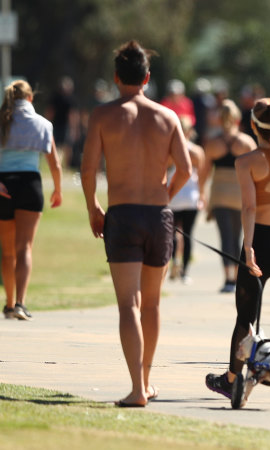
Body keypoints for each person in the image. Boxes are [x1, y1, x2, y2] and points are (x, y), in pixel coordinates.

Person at [81, 40, 192, 407]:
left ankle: (137, 389)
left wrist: (94, 207)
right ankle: (145, 380)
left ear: (116, 78)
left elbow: (88, 169)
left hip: (124, 213)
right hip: (157, 216)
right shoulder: (167, 116)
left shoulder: (103, 115)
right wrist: (165, 195)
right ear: (147, 77)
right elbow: (186, 169)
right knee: (153, 305)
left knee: (128, 304)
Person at [205, 98, 270, 403]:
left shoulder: (246, 161)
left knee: (245, 319)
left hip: (260, 243)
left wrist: (249, 248)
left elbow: (250, 207)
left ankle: (231, 379)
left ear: (252, 126)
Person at [0, 80, 63, 321]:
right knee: (24, 248)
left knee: (7, 252)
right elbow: (54, 163)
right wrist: (58, 190)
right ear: (30, 99)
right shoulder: (43, 124)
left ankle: (7, 303)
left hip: (3, 184)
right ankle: (20, 303)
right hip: (30, 185)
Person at [200, 99, 257, 292]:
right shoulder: (246, 142)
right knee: (241, 236)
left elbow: (205, 171)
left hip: (220, 194)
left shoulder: (212, 144)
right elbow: (255, 171)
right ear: (237, 118)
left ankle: (228, 279)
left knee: (226, 236)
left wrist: (201, 192)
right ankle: (240, 276)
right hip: (241, 192)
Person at [168, 118, 206, 283]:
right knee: (188, 234)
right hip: (191, 197)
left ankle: (174, 262)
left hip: (173, 196)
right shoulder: (197, 152)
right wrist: (202, 196)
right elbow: (201, 178)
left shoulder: (169, 150)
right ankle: (185, 271)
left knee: (172, 234)